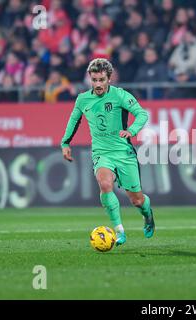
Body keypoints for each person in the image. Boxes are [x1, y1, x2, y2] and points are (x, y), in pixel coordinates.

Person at [60, 58, 155, 246]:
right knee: (104, 184)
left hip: (124, 152)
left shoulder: (120, 95)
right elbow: (74, 121)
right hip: (102, 153)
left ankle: (148, 214)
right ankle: (119, 231)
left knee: (137, 200)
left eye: (101, 80)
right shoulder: (82, 99)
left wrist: (132, 131)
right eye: (94, 80)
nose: (97, 84)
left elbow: (142, 114)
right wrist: (65, 142)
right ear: (90, 79)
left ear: (109, 79)